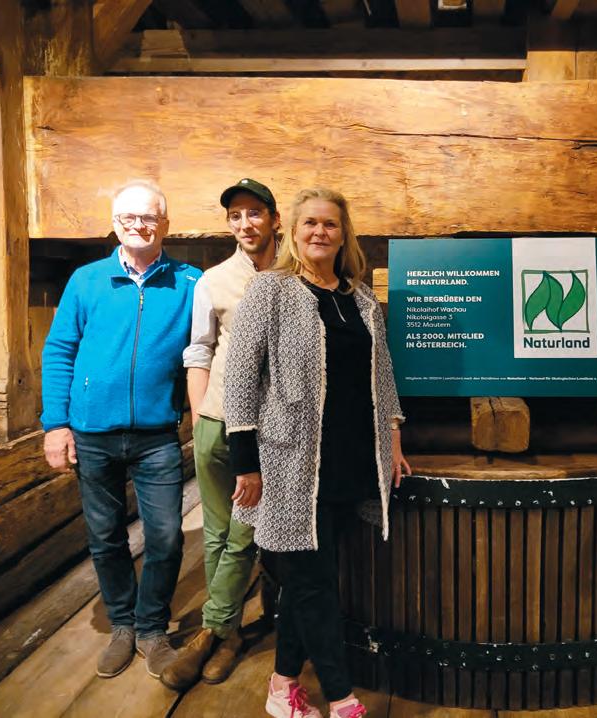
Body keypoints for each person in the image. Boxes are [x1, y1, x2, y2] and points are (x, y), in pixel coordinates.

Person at [223, 187, 409, 718]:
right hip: (290, 464)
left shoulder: (361, 298)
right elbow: (240, 379)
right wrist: (245, 463)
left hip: (349, 459)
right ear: (293, 231)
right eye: (310, 223)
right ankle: (342, 697)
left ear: (344, 233)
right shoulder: (271, 290)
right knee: (315, 582)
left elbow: (382, 374)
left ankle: (283, 686)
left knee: (309, 584)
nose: (320, 232)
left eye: (330, 223)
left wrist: (393, 437)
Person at [41, 180, 201, 680]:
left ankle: (151, 628)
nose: (138, 225)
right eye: (128, 217)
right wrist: (56, 425)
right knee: (105, 536)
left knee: (166, 536)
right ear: (114, 224)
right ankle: (123, 625)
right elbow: (59, 351)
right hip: (92, 433)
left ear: (165, 224)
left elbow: (207, 350)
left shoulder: (190, 283)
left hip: (157, 436)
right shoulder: (87, 281)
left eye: (149, 217)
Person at [161, 179, 281, 690]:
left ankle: (211, 630)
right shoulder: (212, 280)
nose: (245, 224)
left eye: (254, 213)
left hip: (271, 427)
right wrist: (201, 414)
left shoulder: (294, 274)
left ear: (274, 219)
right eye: (235, 215)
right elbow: (199, 350)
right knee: (216, 532)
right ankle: (229, 637)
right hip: (216, 420)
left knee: (244, 530)